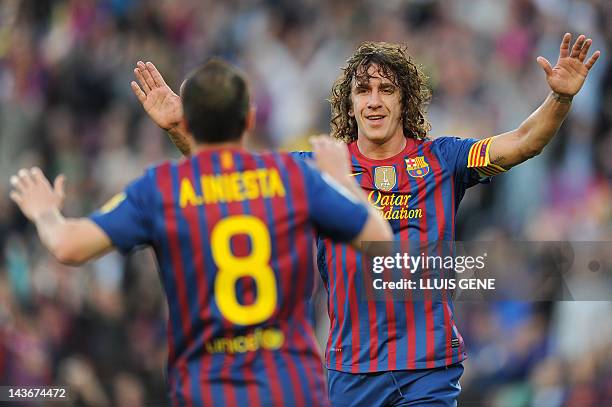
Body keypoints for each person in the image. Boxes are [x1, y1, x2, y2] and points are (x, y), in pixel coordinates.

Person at [132, 33, 600, 406]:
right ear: (349, 104)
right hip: (350, 373)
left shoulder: (444, 160)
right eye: (363, 91)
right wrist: (179, 127)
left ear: (404, 101)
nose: (374, 101)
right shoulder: (318, 167)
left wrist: (559, 99)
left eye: (386, 89)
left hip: (428, 369)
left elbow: (523, 141)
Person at [9, 59, 392, 407]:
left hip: (206, 393)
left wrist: (45, 212)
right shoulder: (291, 178)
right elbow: (379, 240)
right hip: (291, 391)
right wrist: (344, 181)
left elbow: (66, 246)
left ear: (189, 122)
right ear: (249, 119)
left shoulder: (160, 190)